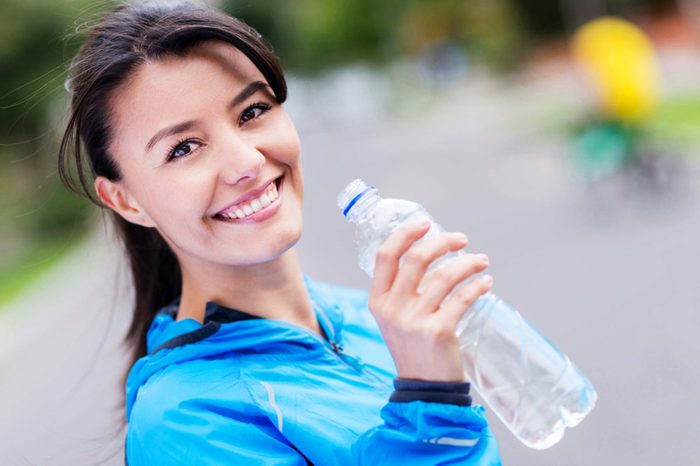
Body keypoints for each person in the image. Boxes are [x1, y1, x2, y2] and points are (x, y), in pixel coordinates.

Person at [58, 2, 501, 464]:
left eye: (252, 111)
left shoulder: (366, 318)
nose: (247, 161)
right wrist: (432, 406)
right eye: (184, 148)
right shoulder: (183, 422)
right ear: (125, 201)